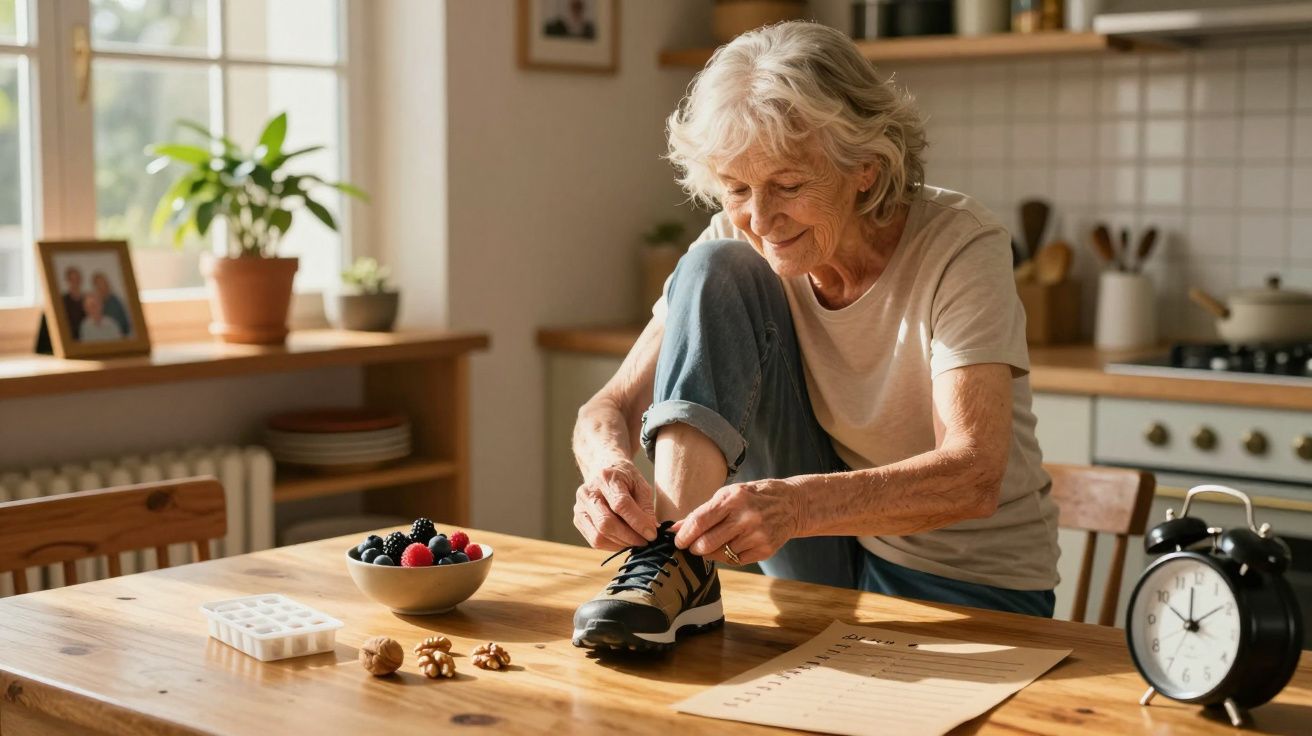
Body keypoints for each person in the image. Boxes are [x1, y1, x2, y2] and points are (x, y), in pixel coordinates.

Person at [569, 22, 1059, 653]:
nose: (762, 219)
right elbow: (605, 408)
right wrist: (606, 470)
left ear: (865, 168)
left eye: (790, 186)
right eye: (738, 189)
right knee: (713, 270)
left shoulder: (960, 243)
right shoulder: (737, 235)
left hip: (966, 580)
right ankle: (676, 563)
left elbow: (974, 474)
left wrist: (796, 507)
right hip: (821, 557)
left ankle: (678, 564)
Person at [91, 271, 132, 337]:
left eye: (103, 283)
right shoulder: (94, 304)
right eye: (98, 284)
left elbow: (125, 325)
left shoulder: (116, 302)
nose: (101, 287)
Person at [61, 266, 86, 340]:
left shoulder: (87, 299)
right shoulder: (63, 301)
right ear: (68, 281)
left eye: (77, 278)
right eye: (72, 279)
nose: (75, 281)